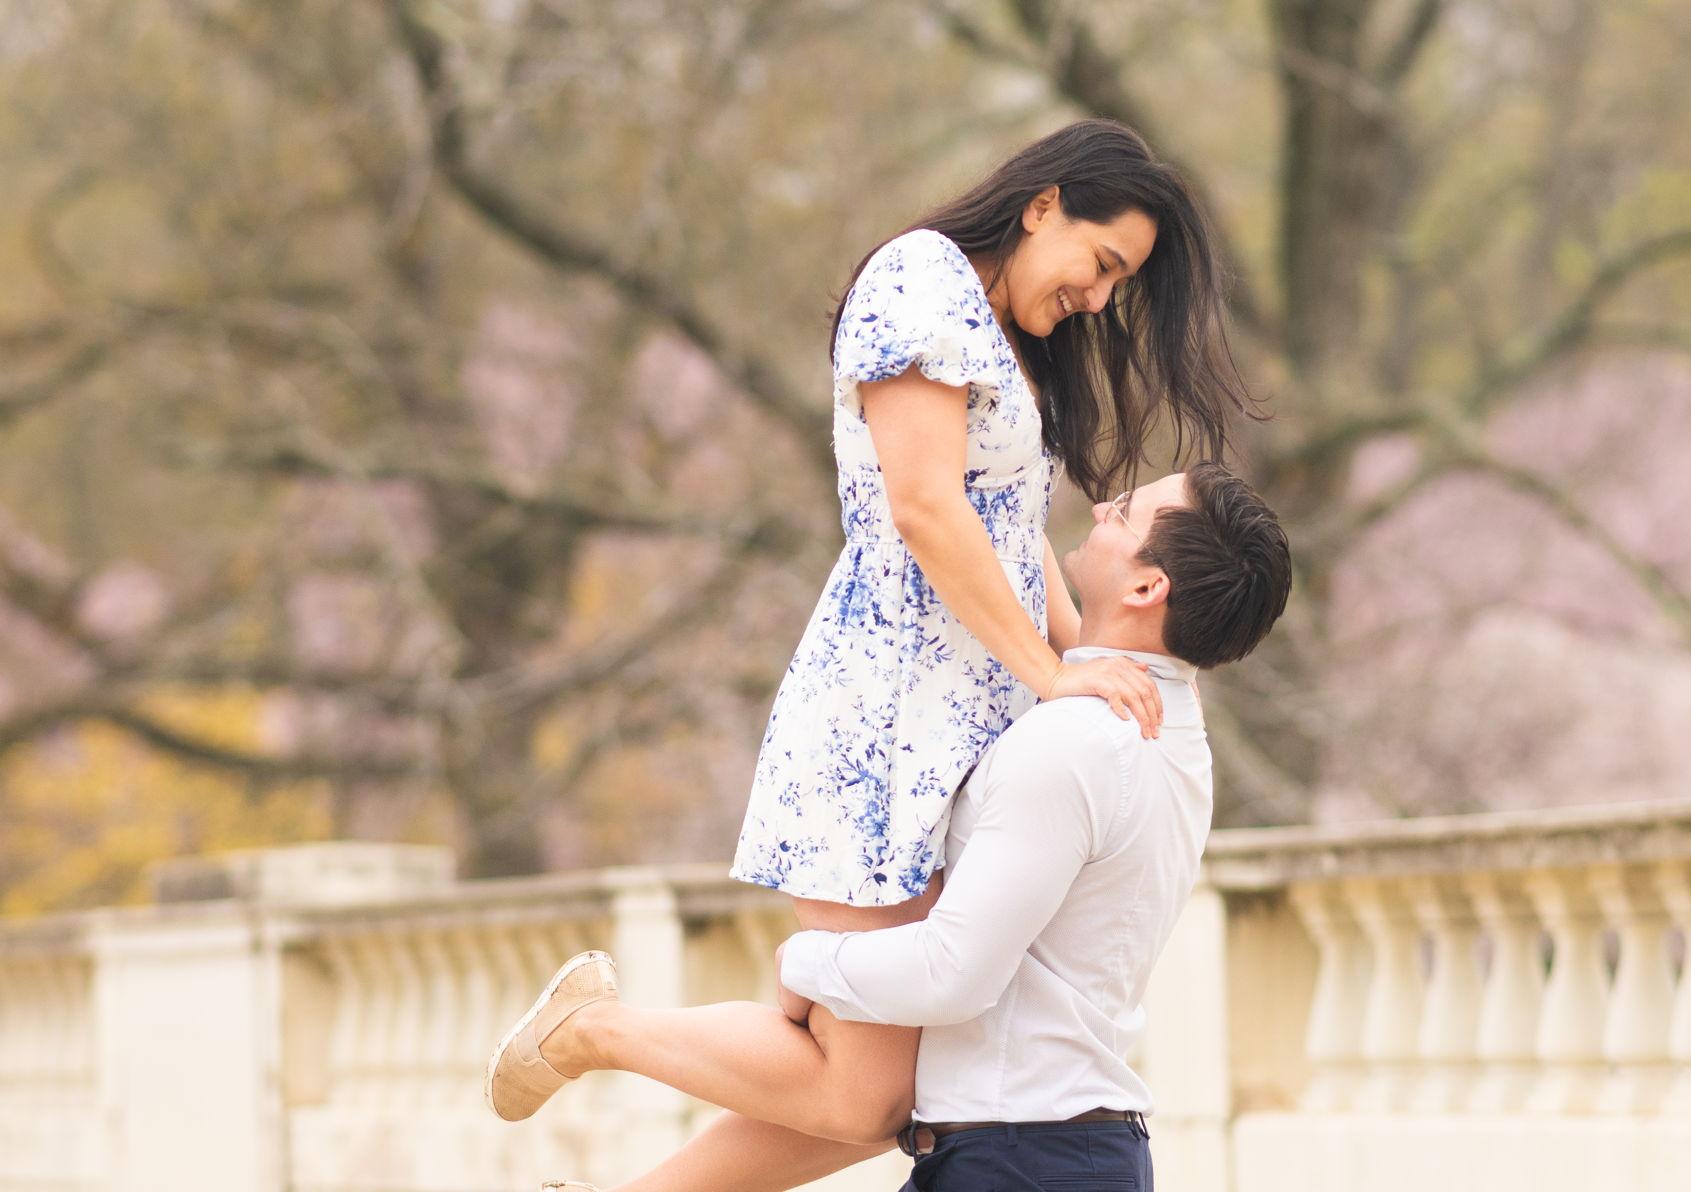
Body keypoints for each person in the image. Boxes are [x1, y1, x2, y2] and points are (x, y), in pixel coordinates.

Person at [486, 117, 1256, 1190]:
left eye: (1118, 281)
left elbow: (1007, 530)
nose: (1098, 297)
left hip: (973, 727)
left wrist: (1091, 670)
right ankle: (590, 1030)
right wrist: (1054, 676)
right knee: (867, 1093)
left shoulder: (1008, 337)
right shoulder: (920, 280)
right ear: (1042, 207)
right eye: (1101, 262)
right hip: (884, 725)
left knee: (894, 1093)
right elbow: (925, 506)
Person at [496, 463, 1290, 1192]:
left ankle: (596, 1035)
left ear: (1149, 586)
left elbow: (953, 974)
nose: (1100, 511)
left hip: (1024, 1161)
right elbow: (1026, 561)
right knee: (862, 1100)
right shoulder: (1174, 734)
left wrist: (806, 961)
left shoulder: (1074, 743)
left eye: (1124, 513)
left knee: (859, 1099)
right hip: (1032, 1152)